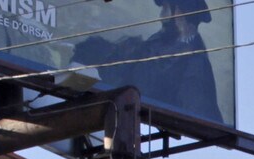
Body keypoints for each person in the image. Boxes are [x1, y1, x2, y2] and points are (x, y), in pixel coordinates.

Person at [73, 0, 223, 125]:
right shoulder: (157, 43)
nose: (160, 16)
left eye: (165, 9)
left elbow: (198, 118)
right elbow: (124, 66)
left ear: (180, 13)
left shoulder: (195, 65)